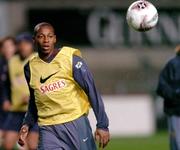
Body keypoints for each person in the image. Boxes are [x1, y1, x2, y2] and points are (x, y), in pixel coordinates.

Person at [18, 22, 110, 150]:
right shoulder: (30, 68)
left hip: (75, 124)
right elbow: (35, 100)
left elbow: (92, 91)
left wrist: (102, 125)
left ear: (54, 39)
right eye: (41, 36)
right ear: (34, 40)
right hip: (47, 128)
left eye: (50, 36)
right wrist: (26, 124)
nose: (46, 40)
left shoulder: (70, 59)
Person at [2, 33, 39, 150]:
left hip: (34, 111)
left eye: (26, 44)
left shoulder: (37, 59)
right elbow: (6, 84)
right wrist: (6, 99)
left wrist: (32, 97)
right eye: (20, 44)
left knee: (32, 145)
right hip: (16, 110)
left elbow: (44, 83)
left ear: (32, 45)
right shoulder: (12, 61)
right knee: (7, 144)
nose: (23, 47)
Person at [157, 45, 180, 150]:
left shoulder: (171, 64)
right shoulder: (172, 65)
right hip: (175, 112)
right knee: (176, 143)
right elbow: (161, 87)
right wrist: (175, 96)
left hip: (174, 110)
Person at [0, 36, 16, 148]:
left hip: (19, 109)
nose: (7, 49)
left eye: (10, 46)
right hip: (3, 109)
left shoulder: (23, 64)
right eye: (4, 47)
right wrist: (5, 100)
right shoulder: (2, 65)